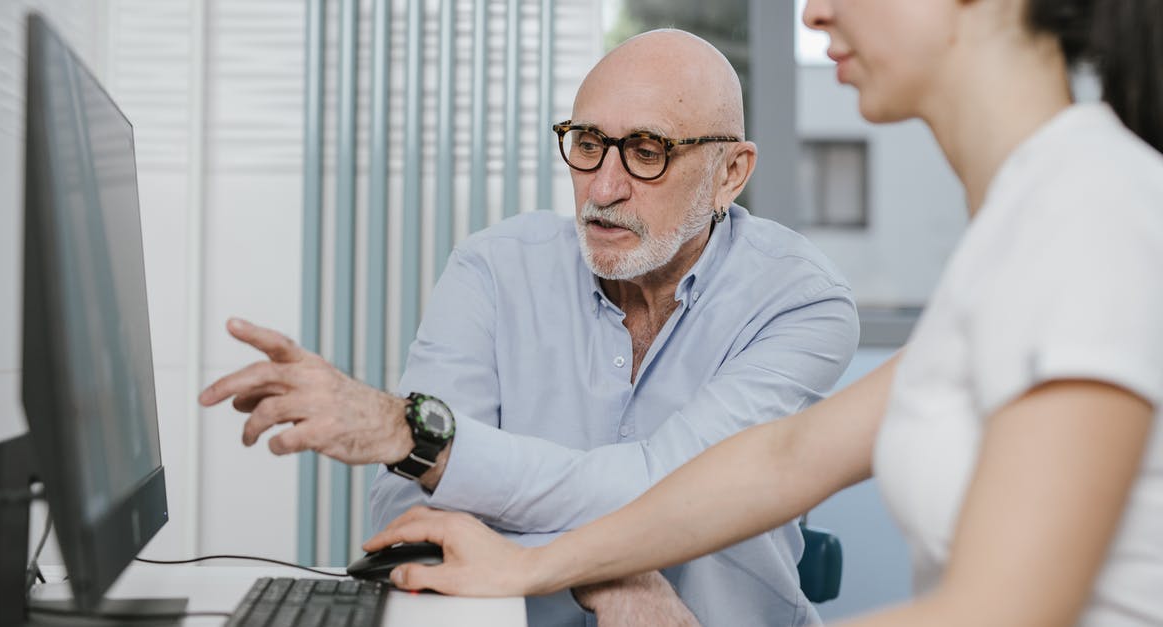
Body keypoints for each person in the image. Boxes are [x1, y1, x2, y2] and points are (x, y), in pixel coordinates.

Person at [364, 0, 1163, 625]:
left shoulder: (1088, 205)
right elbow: (782, 459)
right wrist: (544, 568)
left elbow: (1009, 611)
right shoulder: (1018, 227)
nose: (813, 13)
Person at [199, 30, 860, 627]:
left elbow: (664, 490)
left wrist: (419, 437)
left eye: (647, 151)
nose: (602, 186)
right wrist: (605, 575)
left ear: (731, 174)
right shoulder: (493, 268)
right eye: (589, 143)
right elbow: (409, 514)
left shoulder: (799, 301)